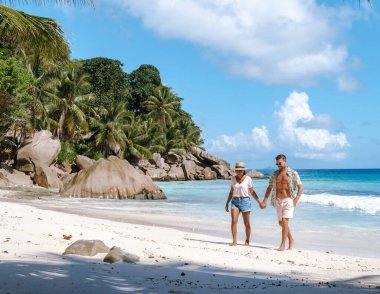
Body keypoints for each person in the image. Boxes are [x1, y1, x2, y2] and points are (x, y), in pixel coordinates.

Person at [261, 154, 303, 251]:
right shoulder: (275, 174)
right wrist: (264, 200)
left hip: (288, 200)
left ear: (285, 161)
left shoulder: (293, 173)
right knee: (281, 223)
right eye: (276, 164)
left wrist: (296, 199)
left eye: (279, 163)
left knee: (284, 222)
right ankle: (291, 239)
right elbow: (269, 187)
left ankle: (283, 245)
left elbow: (300, 188)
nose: (278, 165)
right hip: (278, 200)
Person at [225, 162, 262, 246]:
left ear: (243, 171)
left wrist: (260, 202)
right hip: (234, 201)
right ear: (235, 171)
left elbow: (252, 192)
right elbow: (231, 192)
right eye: (237, 171)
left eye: (240, 171)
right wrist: (227, 203)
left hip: (245, 201)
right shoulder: (233, 179)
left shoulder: (248, 179)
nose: (239, 172)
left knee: (247, 223)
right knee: (234, 221)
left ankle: (247, 240)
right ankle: (234, 241)